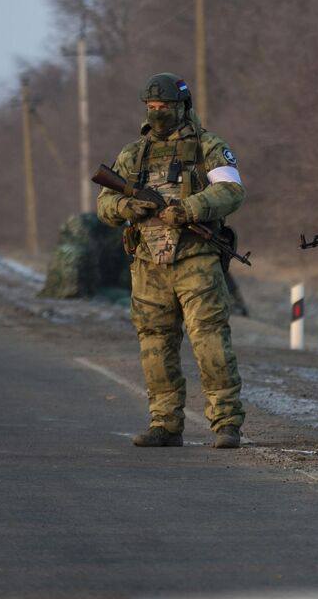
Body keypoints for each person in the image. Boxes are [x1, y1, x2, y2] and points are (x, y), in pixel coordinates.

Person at [97, 73, 246, 449]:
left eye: (165, 106)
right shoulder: (134, 154)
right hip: (148, 261)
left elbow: (231, 190)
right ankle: (164, 422)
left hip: (196, 258)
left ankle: (226, 422)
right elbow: (103, 203)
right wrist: (127, 205)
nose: (159, 113)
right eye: (153, 107)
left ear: (183, 108)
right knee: (155, 345)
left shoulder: (208, 146)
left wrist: (190, 209)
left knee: (210, 341)